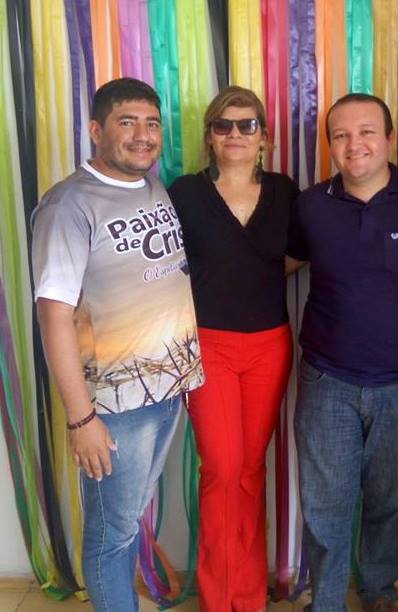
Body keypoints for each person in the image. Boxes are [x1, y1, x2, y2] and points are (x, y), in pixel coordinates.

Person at [31, 77, 204, 612]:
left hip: (166, 392)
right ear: (95, 129)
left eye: (151, 124)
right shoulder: (68, 205)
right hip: (112, 408)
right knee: (111, 535)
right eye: (127, 122)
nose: (142, 135)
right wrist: (81, 419)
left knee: (127, 523)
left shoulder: (152, 187)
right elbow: (53, 315)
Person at [288, 93, 398, 612]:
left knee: (386, 501)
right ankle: (327, 602)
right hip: (326, 380)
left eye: (367, 132)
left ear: (390, 139)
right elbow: (280, 263)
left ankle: (378, 593)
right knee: (325, 506)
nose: (355, 145)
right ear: (330, 145)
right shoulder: (310, 205)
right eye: (341, 135)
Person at [167, 86, 299, 612]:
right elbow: (163, 265)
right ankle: (218, 599)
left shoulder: (284, 191)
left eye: (247, 125)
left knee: (250, 469)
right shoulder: (184, 193)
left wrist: (248, 275)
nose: (236, 134)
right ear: (210, 136)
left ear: (264, 136)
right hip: (208, 347)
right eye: (224, 125)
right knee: (221, 468)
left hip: (270, 345)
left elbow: (297, 255)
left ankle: (248, 596)